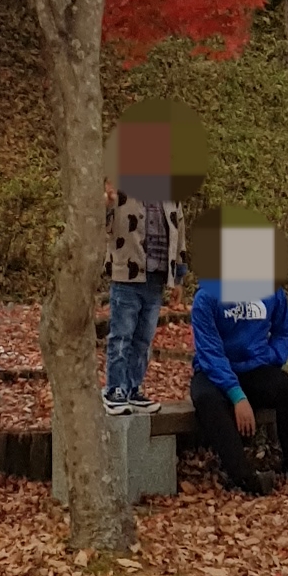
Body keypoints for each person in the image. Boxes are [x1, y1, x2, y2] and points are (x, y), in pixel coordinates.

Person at [189, 235, 288, 496]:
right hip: (215, 371)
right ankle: (245, 477)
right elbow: (210, 353)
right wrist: (237, 395)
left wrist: (272, 359)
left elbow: (286, 330)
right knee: (206, 398)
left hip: (255, 367)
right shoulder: (206, 298)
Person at [103, 175, 184, 414]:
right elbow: (101, 224)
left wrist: (178, 278)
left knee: (143, 339)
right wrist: (106, 203)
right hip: (126, 275)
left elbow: (180, 237)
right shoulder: (122, 190)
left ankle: (132, 387)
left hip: (157, 278)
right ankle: (115, 388)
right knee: (121, 335)